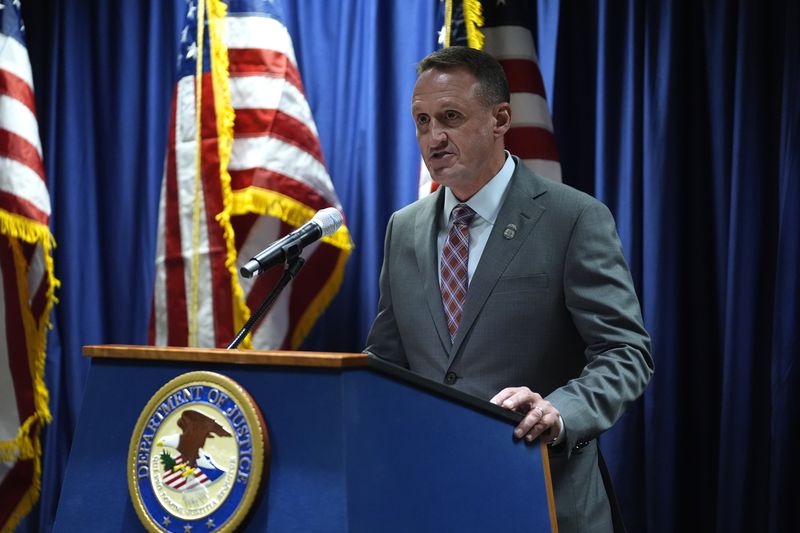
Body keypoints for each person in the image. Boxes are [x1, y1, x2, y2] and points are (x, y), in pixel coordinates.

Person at [365, 46, 653, 532]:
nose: (433, 137)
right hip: (432, 503)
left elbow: (626, 353)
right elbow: (387, 363)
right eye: (421, 121)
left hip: (544, 499)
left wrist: (558, 411)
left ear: (501, 118)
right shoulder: (403, 228)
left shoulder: (573, 218)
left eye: (450, 117)